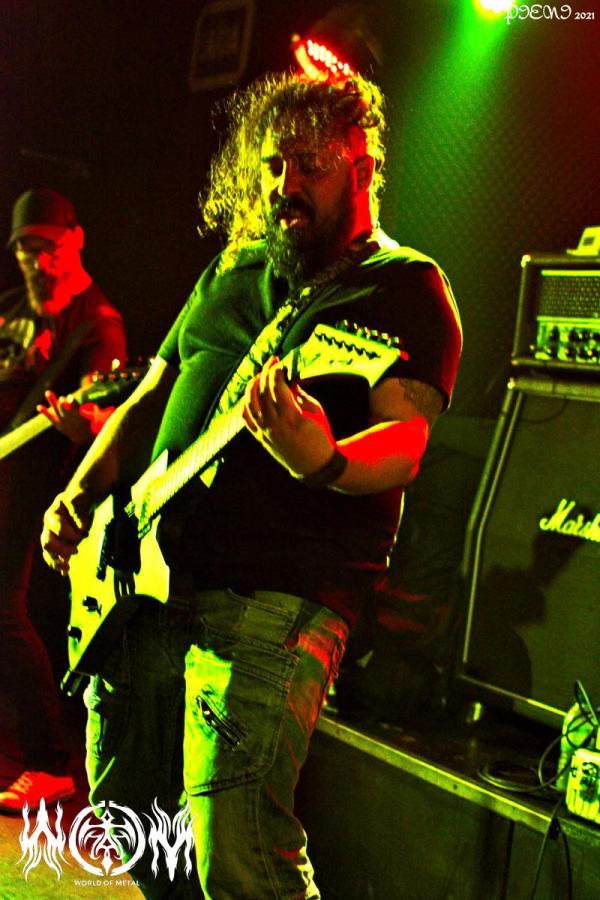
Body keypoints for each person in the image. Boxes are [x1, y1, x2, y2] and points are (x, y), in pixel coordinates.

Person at [41, 72, 462, 898]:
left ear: (362, 166)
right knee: (131, 818)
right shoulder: (233, 270)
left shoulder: (405, 286)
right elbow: (151, 394)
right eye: (273, 165)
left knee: (239, 851)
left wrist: (325, 459)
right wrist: (80, 495)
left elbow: (405, 440)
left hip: (277, 599)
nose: (284, 185)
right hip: (144, 586)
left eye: (309, 164)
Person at [0, 188, 126, 813]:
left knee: (4, 611)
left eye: (48, 248)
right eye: (26, 250)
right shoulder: (11, 311)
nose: (37, 262)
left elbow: (110, 417)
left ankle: (51, 763)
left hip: (31, 487)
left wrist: (87, 423)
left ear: (75, 241)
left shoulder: (97, 324)